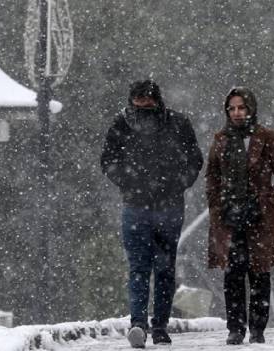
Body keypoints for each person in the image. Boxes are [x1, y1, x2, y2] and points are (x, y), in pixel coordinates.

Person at [101, 80, 203, 348]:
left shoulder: (178, 124)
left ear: (156, 99)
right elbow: (108, 161)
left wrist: (176, 183)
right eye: (139, 98)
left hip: (167, 206)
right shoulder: (121, 125)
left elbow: (194, 159)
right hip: (137, 206)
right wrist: (130, 182)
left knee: (163, 268)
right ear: (132, 99)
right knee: (140, 267)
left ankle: (158, 324)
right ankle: (139, 323)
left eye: (147, 98)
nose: (144, 103)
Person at [205, 87, 274, 345]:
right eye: (231, 108)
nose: (236, 113)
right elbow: (212, 176)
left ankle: (257, 329)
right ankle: (235, 328)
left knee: (259, 274)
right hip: (229, 218)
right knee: (232, 275)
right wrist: (216, 206)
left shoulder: (267, 137)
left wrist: (270, 202)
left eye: (241, 107)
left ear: (251, 108)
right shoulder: (221, 139)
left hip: (259, 217)